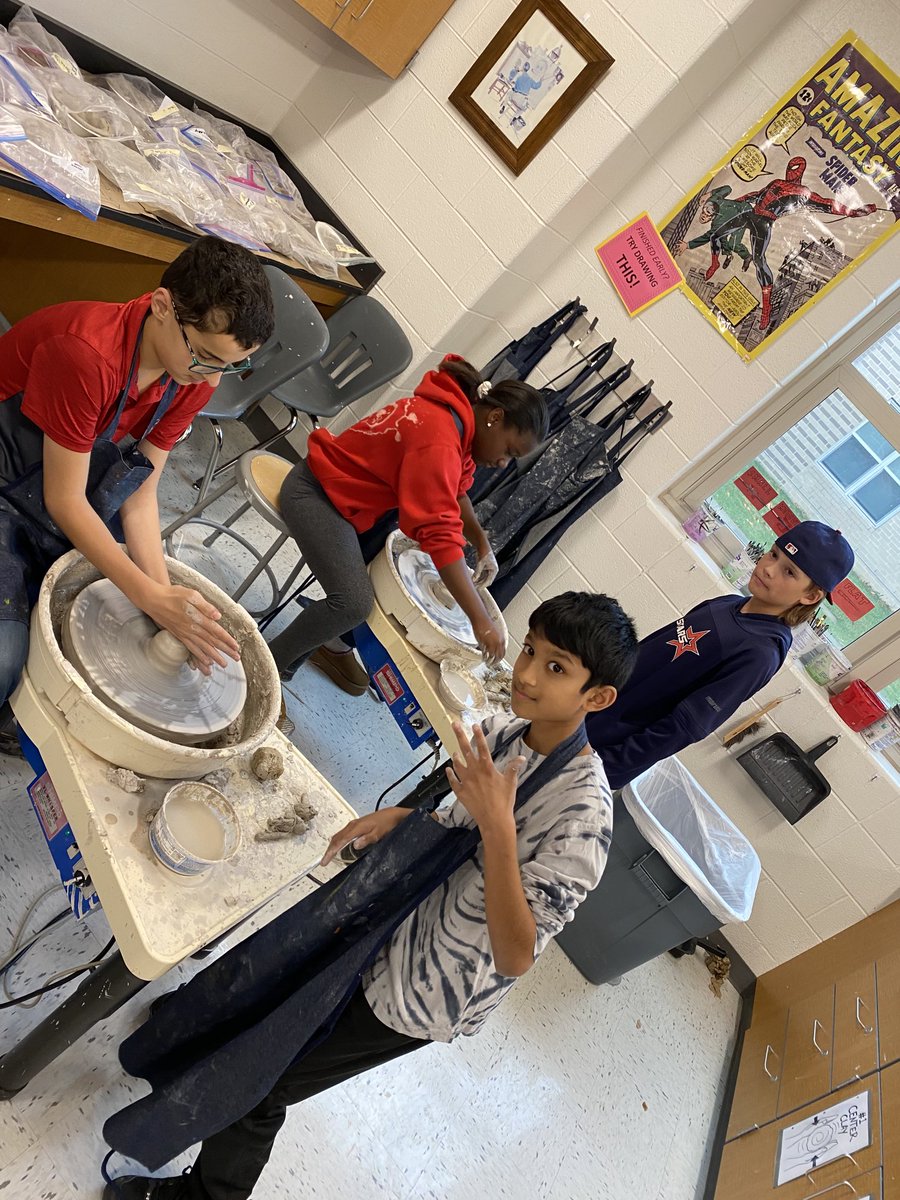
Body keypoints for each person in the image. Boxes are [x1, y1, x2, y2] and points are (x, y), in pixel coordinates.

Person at [102, 591, 638, 1200]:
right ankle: (187, 1044)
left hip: (424, 988)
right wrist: (401, 819)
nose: (527, 674)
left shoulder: (584, 821)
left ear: (597, 698)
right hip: (389, 927)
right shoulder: (506, 734)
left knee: (263, 1084)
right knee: (268, 1005)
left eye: (556, 667)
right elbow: (454, 827)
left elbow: (516, 954)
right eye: (531, 651)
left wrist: (499, 828)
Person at [0, 236, 275, 745]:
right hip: (11, 464)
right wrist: (147, 593)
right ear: (162, 305)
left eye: (229, 365)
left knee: (92, 611)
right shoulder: (87, 355)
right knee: (6, 657)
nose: (213, 376)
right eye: (206, 356)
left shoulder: (194, 376)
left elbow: (140, 490)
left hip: (62, 471)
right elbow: (64, 500)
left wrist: (163, 600)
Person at [267, 355, 549, 693]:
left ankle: (321, 650)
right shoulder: (438, 436)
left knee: (375, 578)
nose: (503, 463)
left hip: (349, 503)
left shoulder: (460, 423)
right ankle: (268, 670)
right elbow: (440, 537)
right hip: (316, 493)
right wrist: (481, 621)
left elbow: (456, 491)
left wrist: (481, 542)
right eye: (510, 451)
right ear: (495, 417)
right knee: (354, 603)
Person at [587, 521, 855, 790]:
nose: (768, 569)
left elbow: (682, 728)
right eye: (774, 554)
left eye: (789, 572)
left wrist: (599, 769)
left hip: (596, 751)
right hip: (586, 709)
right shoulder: (727, 603)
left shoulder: (761, 654)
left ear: (810, 596)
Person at [708, 157, 877, 330]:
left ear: (801, 171)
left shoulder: (803, 192)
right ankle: (714, 263)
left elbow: (827, 204)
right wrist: (737, 201)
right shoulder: (777, 182)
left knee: (759, 261)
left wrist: (853, 212)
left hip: (764, 222)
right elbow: (757, 194)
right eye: (792, 167)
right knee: (716, 234)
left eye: (796, 168)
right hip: (752, 213)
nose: (792, 171)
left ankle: (766, 309)